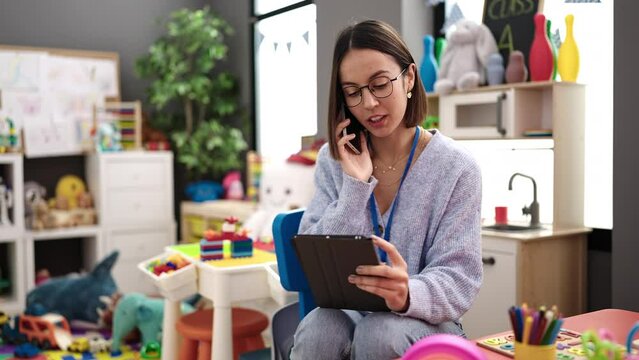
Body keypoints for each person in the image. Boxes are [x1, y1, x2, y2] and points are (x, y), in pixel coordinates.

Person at [289, 19, 483, 359]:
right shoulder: (334, 160)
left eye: (379, 85)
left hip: (428, 321)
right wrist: (354, 188)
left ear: (408, 78)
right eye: (353, 92)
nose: (369, 104)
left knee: (379, 332)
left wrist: (408, 293)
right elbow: (313, 260)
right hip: (352, 313)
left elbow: (460, 279)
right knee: (319, 327)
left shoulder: (458, 168)